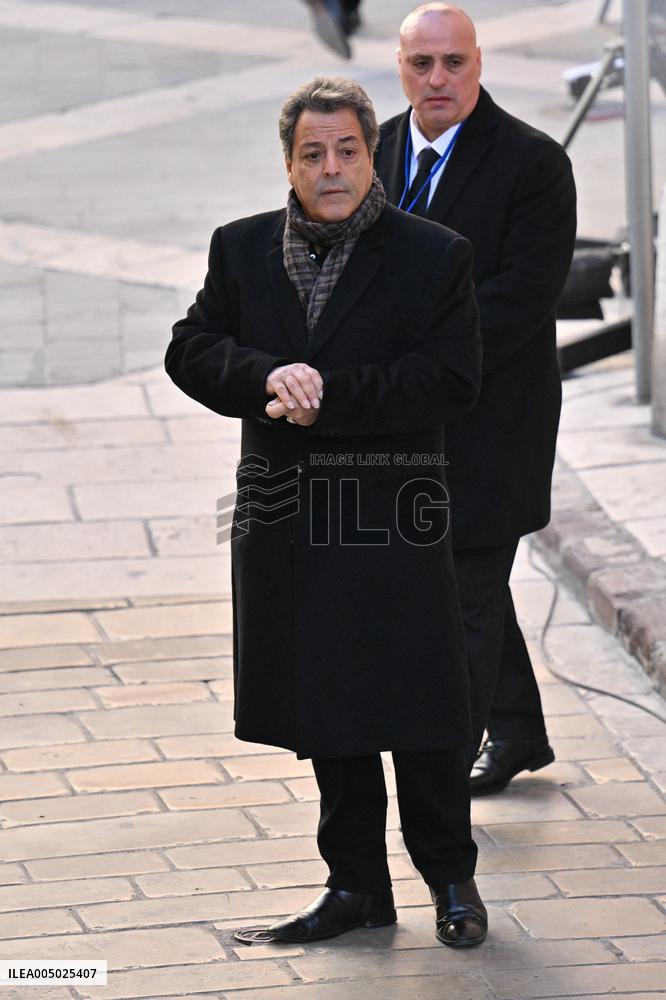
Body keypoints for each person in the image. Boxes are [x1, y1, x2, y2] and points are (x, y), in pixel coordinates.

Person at [165, 76, 488, 948]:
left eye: (347, 149)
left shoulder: (432, 254)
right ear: (289, 162)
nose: (332, 167)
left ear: (371, 153)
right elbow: (189, 348)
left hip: (393, 516)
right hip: (291, 528)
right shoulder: (239, 250)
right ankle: (355, 888)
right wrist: (265, 376)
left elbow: (451, 378)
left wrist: (329, 395)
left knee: (422, 710)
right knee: (329, 714)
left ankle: (451, 881)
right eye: (314, 153)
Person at [375, 3, 577, 794]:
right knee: (468, 586)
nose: (438, 79)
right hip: (404, 425)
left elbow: (523, 298)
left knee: (463, 592)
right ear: (400, 67)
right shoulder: (375, 147)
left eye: (452, 63)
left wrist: (414, 358)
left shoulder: (532, 163)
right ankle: (519, 730)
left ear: (479, 64)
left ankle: (440, 767)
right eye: (421, 64)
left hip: (495, 424)